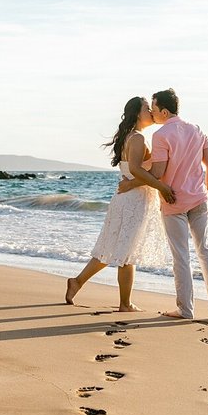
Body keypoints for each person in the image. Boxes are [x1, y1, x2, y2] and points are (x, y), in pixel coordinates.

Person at [119, 88, 208, 320]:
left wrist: (132, 181)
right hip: (199, 199)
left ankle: (185, 310)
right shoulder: (196, 130)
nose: (152, 113)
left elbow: (158, 172)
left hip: (173, 201)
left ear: (164, 112)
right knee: (205, 251)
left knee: (181, 256)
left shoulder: (161, 136)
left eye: (154, 109)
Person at [65, 96, 175, 312]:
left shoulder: (132, 137)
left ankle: (77, 282)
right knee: (126, 252)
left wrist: (133, 183)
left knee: (114, 248)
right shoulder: (138, 139)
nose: (151, 112)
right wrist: (161, 187)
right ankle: (125, 304)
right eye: (146, 109)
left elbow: (134, 170)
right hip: (134, 200)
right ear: (137, 114)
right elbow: (135, 169)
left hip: (127, 198)